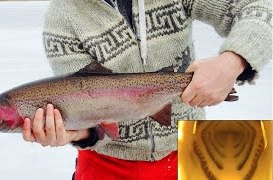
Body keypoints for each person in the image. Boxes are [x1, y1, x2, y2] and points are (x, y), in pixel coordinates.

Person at [22, 0, 272, 179]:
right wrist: (77, 134)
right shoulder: (61, 17)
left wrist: (232, 61)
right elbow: (87, 113)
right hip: (109, 160)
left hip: (201, 141)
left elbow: (262, 8)